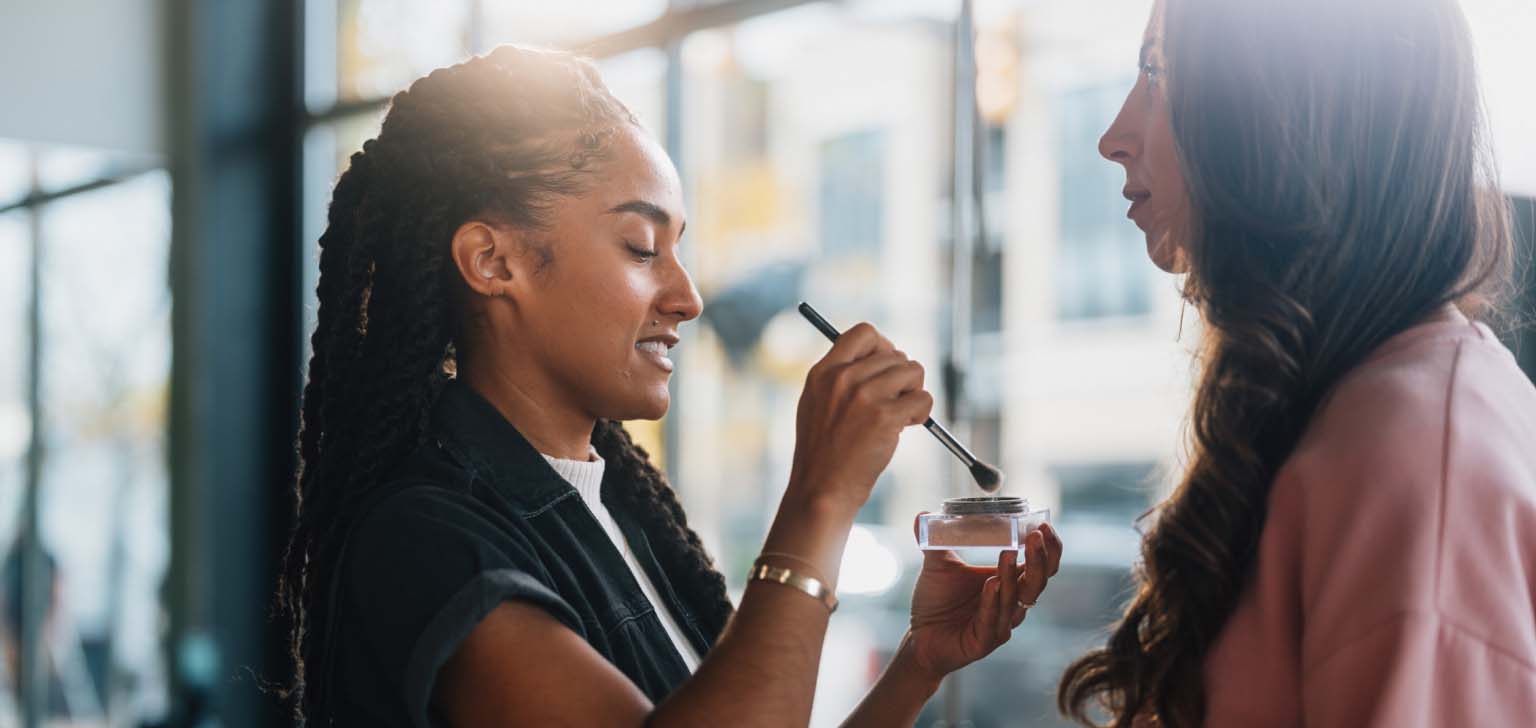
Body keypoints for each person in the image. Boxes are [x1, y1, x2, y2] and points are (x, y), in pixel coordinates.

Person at [276, 45, 1063, 727]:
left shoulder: (620, 510)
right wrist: (818, 497)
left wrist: (918, 664)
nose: (687, 296)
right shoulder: (423, 539)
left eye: (678, 248)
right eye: (641, 245)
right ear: (493, 261)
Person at [1058, 0, 1535, 725]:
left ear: (1284, 116)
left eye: (1159, 72)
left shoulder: (1410, 460)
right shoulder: (1357, 405)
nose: (1113, 137)